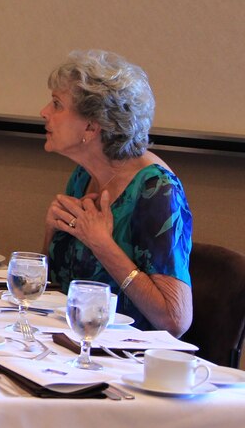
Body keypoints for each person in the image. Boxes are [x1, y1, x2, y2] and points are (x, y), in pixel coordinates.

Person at [40, 49, 192, 335]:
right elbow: (58, 286)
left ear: (91, 125)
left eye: (57, 104)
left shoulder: (156, 191)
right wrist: (52, 229)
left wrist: (101, 244)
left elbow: (175, 320)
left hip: (129, 359)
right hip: (77, 341)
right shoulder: (86, 174)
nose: (44, 112)